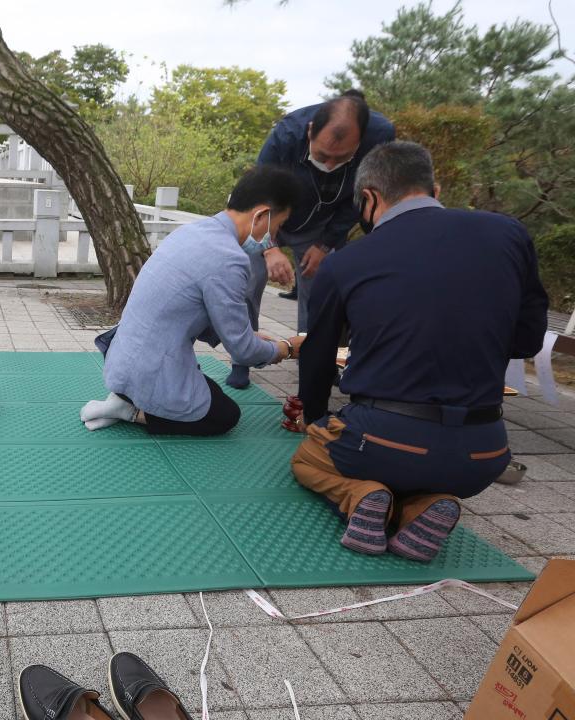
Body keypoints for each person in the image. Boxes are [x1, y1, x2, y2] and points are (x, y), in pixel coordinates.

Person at [291, 141, 548, 562]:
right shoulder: (509, 233)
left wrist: (316, 420)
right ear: (436, 189)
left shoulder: (345, 262)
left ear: (369, 198)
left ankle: (363, 495)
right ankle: (422, 506)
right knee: (420, 469)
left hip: (381, 440)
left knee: (308, 460)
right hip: (483, 456)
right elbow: (527, 342)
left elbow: (318, 358)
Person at [81, 166, 304, 436]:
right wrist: (286, 349)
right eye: (277, 227)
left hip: (122, 361)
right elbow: (243, 352)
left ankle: (127, 399)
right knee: (226, 415)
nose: (273, 238)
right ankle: (130, 411)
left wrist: (252, 336)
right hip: (147, 369)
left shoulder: (193, 232)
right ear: (262, 216)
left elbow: (202, 314)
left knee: (212, 391)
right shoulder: (229, 257)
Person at [226, 90, 395, 389]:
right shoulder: (285, 135)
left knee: (320, 296)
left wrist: (326, 244)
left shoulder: (380, 137)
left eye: (340, 158)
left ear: (359, 143)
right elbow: (258, 194)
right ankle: (243, 358)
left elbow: (361, 199)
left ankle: (316, 362)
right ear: (309, 132)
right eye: (322, 156)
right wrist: (270, 247)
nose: (330, 165)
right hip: (269, 220)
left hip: (321, 225)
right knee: (248, 283)